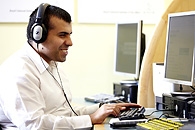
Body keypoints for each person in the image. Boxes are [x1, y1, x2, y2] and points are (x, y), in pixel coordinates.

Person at [0, 3, 141, 130]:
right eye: (62, 35)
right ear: (38, 35)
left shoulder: (50, 64)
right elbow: (34, 125)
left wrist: (101, 109)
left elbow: (64, 111)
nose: (70, 42)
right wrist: (91, 118)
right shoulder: (20, 72)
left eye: (69, 35)